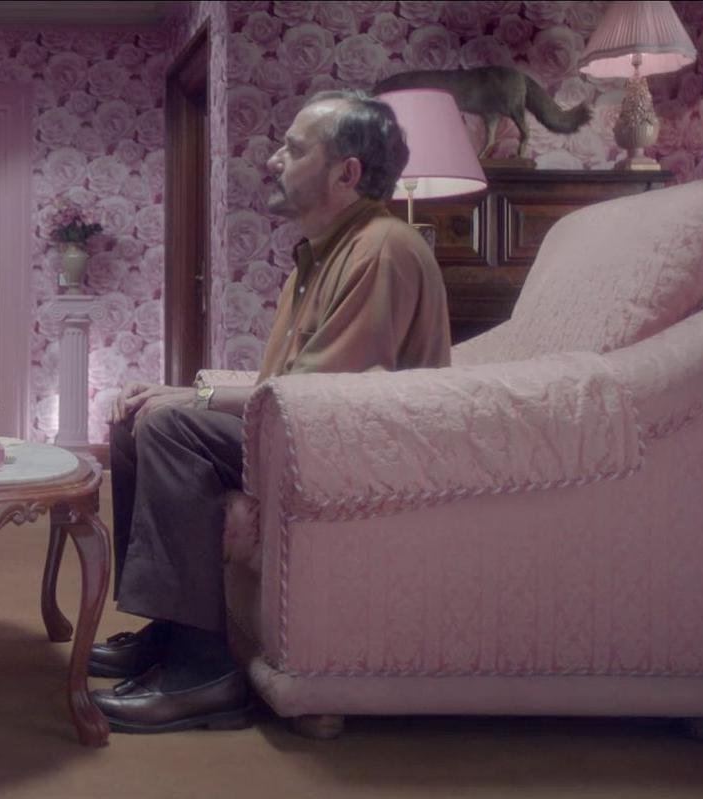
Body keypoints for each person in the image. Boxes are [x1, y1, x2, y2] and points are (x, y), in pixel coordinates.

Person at [87, 90, 452, 733]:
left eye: (294, 148)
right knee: (137, 421)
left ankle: (205, 674)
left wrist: (193, 397)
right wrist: (174, 392)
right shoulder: (319, 255)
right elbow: (279, 387)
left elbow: (319, 393)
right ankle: (171, 631)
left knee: (170, 424)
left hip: (356, 452)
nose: (272, 159)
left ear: (346, 173)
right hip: (305, 435)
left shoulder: (381, 248)